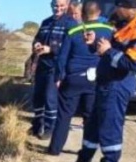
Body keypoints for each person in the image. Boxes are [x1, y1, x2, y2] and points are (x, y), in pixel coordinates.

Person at [63, 0, 136, 162]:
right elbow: (110, 48)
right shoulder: (124, 22)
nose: (115, 10)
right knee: (92, 127)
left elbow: (132, 64)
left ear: (129, 8)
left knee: (110, 128)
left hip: (117, 85)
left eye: (119, 7)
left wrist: (108, 51)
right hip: (105, 82)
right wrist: (95, 43)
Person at [48, 1, 115, 154]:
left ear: (83, 14)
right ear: (99, 13)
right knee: (90, 117)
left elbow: (62, 57)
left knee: (64, 115)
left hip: (73, 78)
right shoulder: (109, 31)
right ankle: (87, 150)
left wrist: (59, 77)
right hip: (96, 78)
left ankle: (55, 148)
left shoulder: (73, 31)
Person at [31, 0, 79, 138]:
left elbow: (70, 47)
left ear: (66, 6)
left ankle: (49, 128)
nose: (58, 8)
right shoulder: (45, 22)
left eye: (61, 6)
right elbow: (36, 39)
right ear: (51, 6)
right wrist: (37, 44)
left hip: (56, 67)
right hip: (42, 65)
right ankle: (36, 125)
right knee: (38, 97)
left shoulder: (70, 23)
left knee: (50, 98)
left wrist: (51, 49)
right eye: (55, 6)